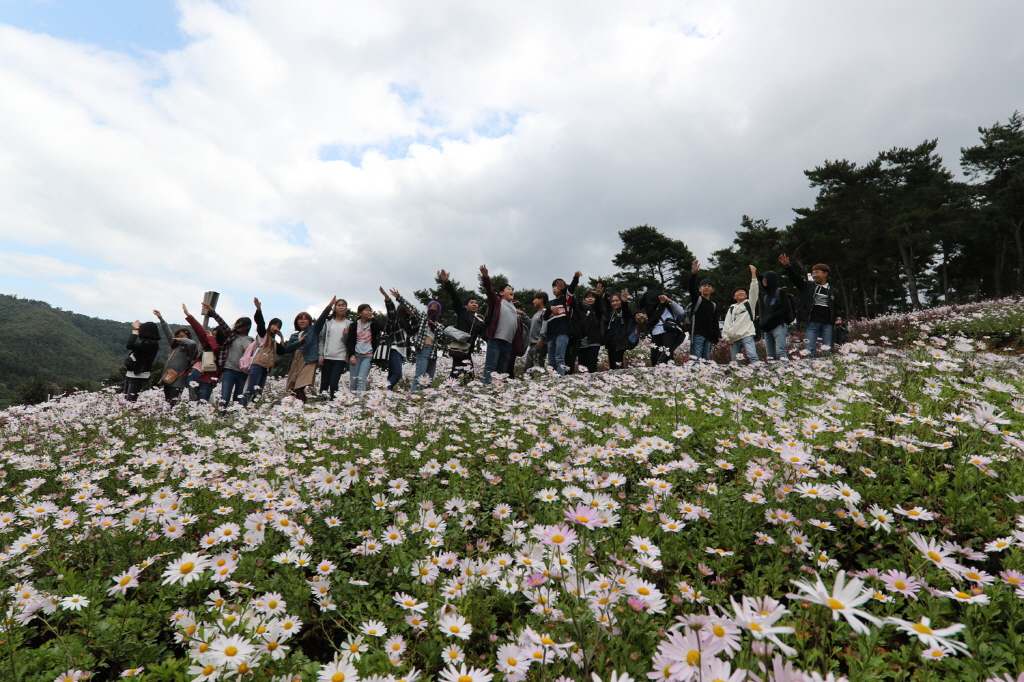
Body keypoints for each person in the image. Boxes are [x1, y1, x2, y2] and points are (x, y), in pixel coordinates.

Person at [779, 254, 845, 357]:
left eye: (817, 272)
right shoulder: (808, 287)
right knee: (810, 349)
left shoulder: (833, 291)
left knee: (828, 349)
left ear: (825, 274)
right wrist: (787, 266)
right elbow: (795, 279)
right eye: (813, 273)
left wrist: (838, 317)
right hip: (812, 323)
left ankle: (829, 370)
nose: (814, 275)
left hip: (828, 323)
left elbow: (837, 307)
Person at [203, 302, 254, 412]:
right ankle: (221, 417)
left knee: (238, 398)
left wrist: (247, 352)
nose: (238, 325)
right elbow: (222, 324)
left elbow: (254, 356)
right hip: (229, 370)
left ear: (247, 326)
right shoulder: (232, 335)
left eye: (241, 323)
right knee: (224, 397)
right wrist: (212, 312)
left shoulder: (251, 341)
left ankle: (234, 420)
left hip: (242, 372)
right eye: (238, 322)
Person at [392, 289, 446, 392]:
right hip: (423, 348)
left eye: (435, 307)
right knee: (419, 377)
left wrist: (435, 327)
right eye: (431, 306)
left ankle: (425, 400)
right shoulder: (422, 318)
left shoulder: (439, 325)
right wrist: (399, 297)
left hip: (433, 352)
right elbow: (412, 308)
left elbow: (442, 339)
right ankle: (414, 398)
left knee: (428, 379)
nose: (433, 309)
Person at [479, 264, 525, 384]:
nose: (511, 291)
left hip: (508, 343)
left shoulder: (514, 308)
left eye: (512, 289)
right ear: (501, 293)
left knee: (502, 369)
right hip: (496, 339)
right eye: (508, 289)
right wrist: (485, 277)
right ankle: (487, 389)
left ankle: (498, 392)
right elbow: (489, 291)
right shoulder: (497, 302)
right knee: (491, 367)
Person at [282, 299, 334, 403]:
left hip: (308, 361)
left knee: (299, 386)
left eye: (305, 319)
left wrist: (329, 307)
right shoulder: (294, 335)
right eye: (300, 319)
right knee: (293, 389)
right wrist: (298, 342)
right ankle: (297, 409)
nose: (302, 321)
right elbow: (287, 349)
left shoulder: (313, 330)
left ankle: (302, 407)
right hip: (295, 362)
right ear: (296, 322)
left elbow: (321, 320)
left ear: (309, 322)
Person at [440, 270, 484, 381]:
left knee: (468, 374)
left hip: (468, 351)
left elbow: (484, 334)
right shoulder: (462, 313)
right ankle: (449, 389)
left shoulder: (478, 320)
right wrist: (447, 282)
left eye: (476, 303)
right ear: (465, 306)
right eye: (471, 302)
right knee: (457, 371)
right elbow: (454, 297)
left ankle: (456, 391)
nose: (474, 304)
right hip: (459, 349)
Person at [242, 298, 284, 406]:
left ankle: (251, 410)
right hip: (257, 365)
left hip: (265, 368)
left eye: (278, 327)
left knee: (258, 393)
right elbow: (260, 323)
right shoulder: (263, 335)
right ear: (270, 325)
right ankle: (240, 408)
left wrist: (281, 337)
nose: (276, 328)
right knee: (251, 389)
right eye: (274, 325)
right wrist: (258, 309)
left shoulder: (274, 342)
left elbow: (283, 351)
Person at [154, 310, 198, 404]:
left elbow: (193, 343)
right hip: (168, 377)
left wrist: (182, 340)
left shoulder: (190, 349)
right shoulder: (176, 346)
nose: (179, 338)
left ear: (187, 336)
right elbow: (168, 333)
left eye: (182, 336)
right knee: (167, 401)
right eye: (178, 336)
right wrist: (161, 319)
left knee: (173, 402)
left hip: (179, 380)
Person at [722, 265, 761, 365]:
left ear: (747, 295)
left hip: (747, 335)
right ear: (734, 297)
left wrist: (753, 274)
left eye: (743, 291)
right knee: (735, 362)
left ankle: (758, 374)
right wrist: (726, 337)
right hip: (734, 338)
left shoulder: (749, 304)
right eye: (737, 292)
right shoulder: (731, 309)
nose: (740, 292)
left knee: (752, 356)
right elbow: (727, 323)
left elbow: (754, 290)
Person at [183, 303, 222, 403]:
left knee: (203, 402)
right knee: (193, 401)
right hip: (196, 371)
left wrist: (211, 338)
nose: (213, 336)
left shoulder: (223, 347)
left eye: (216, 335)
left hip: (209, 377)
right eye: (213, 334)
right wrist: (188, 315)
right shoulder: (208, 341)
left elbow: (216, 350)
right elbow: (199, 329)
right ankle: (191, 419)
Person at [544, 272, 580, 375]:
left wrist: (576, 278)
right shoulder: (549, 303)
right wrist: (549, 309)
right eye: (553, 286)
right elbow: (544, 317)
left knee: (559, 358)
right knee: (551, 361)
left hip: (562, 333)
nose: (554, 288)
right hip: (551, 335)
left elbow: (571, 290)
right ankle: (553, 381)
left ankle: (560, 380)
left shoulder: (566, 301)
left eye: (557, 286)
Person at [641, 290, 687, 366]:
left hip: (668, 330)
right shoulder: (650, 310)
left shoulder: (668, 306)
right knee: (654, 355)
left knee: (667, 353)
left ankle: (669, 370)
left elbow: (681, 312)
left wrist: (669, 301)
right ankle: (656, 370)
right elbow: (650, 321)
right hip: (656, 332)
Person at [347, 303, 385, 394]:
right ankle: (352, 402)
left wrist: (373, 318)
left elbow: (382, 327)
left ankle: (360, 402)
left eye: (370, 310)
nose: (369, 312)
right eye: (367, 310)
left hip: (368, 355)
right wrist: (351, 355)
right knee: (353, 380)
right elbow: (350, 341)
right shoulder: (353, 325)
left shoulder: (373, 324)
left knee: (361, 379)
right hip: (356, 355)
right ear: (360, 313)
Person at [688, 260, 721, 363]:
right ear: (699, 289)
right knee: (695, 359)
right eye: (704, 286)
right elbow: (690, 288)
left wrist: (716, 337)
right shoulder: (697, 300)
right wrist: (694, 274)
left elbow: (715, 322)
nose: (706, 287)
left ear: (713, 290)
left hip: (709, 337)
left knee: (705, 360)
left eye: (709, 286)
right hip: (698, 334)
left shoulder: (713, 305)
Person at [380, 288, 412, 390]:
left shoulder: (407, 325)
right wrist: (387, 298)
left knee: (391, 375)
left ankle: (385, 396)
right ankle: (383, 391)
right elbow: (391, 311)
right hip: (394, 349)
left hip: (401, 352)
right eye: (407, 309)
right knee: (398, 374)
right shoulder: (396, 320)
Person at [318, 298, 350, 399]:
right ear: (335, 308)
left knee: (334, 383)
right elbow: (322, 340)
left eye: (343, 305)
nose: (341, 307)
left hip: (340, 358)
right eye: (339, 305)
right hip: (327, 357)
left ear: (346, 309)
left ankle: (334, 406)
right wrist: (321, 355)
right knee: (324, 384)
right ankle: (321, 405)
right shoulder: (328, 323)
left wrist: (346, 335)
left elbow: (349, 343)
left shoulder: (349, 324)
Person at [573, 283, 608, 373]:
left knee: (592, 367)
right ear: (584, 299)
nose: (590, 298)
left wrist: (599, 297)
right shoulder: (580, 311)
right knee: (582, 368)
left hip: (593, 342)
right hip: (581, 343)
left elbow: (598, 307)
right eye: (588, 297)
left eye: (592, 297)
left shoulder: (597, 311)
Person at [757, 270, 792, 361]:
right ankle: (772, 374)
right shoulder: (766, 297)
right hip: (767, 328)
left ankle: (787, 371)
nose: (764, 281)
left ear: (771, 280)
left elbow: (785, 308)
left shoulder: (780, 292)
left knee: (780, 351)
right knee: (770, 355)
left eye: (766, 279)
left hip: (779, 326)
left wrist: (772, 317)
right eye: (762, 279)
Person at [124, 320, 160, 402]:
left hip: (139, 375)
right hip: (132, 373)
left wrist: (134, 334)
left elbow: (129, 345)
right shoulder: (147, 343)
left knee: (131, 401)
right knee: (126, 399)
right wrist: (138, 327)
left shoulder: (150, 344)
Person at [603, 289, 634, 370]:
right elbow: (608, 308)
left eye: (617, 301)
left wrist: (625, 302)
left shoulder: (623, 313)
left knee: (618, 365)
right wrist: (605, 299)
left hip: (619, 343)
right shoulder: (613, 314)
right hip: (611, 343)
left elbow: (627, 312)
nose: (614, 303)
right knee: (612, 366)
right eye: (613, 301)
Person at [523, 292, 548, 374]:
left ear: (541, 300)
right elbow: (531, 324)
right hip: (533, 345)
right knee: (528, 368)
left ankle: (537, 385)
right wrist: (522, 314)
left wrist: (541, 338)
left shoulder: (545, 312)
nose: (533, 301)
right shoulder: (536, 314)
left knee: (536, 369)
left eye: (535, 299)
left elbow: (545, 324)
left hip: (539, 344)